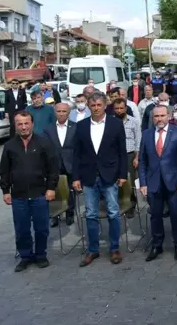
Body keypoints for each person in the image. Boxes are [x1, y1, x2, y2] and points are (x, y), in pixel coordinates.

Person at [72, 92, 128, 267]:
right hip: (88, 176)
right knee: (90, 214)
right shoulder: (80, 126)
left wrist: (122, 175)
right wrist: (75, 177)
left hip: (109, 175)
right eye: (93, 105)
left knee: (113, 212)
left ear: (105, 105)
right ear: (88, 106)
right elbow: (76, 154)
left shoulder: (116, 124)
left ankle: (114, 248)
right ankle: (93, 250)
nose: (96, 108)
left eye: (99, 105)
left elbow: (122, 152)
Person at [0, 111, 59, 272]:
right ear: (15, 125)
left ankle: (40, 255)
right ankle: (25, 256)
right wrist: (5, 191)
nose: (24, 127)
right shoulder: (9, 146)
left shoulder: (44, 143)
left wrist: (51, 188)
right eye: (20, 124)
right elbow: (4, 170)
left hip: (40, 194)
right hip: (18, 196)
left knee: (41, 228)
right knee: (22, 229)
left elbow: (53, 168)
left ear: (32, 124)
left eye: (26, 123)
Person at [139, 105, 177, 261]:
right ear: (152, 118)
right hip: (153, 182)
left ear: (168, 116)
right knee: (155, 216)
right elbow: (142, 161)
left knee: (175, 215)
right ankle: (157, 245)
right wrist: (143, 183)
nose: (159, 119)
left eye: (162, 115)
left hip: (173, 183)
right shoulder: (146, 134)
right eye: (156, 116)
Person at [44, 103, 77, 228]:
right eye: (59, 111)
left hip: (70, 163)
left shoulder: (75, 127)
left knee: (70, 190)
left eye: (64, 111)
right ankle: (55, 215)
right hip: (54, 164)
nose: (61, 113)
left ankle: (69, 212)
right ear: (55, 112)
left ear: (68, 113)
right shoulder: (48, 129)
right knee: (54, 189)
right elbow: (46, 148)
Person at [114, 98, 141, 218]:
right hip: (115, 156)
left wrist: (137, 158)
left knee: (130, 181)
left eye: (121, 108)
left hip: (130, 155)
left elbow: (138, 140)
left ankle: (131, 205)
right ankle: (120, 204)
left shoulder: (133, 121)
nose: (119, 111)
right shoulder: (111, 122)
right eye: (116, 108)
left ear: (125, 108)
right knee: (117, 181)